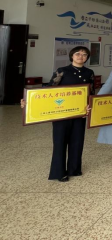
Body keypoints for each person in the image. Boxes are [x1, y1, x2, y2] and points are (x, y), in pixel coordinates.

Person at [21, 46, 95, 182]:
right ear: (72, 56)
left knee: (77, 141)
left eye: (84, 54)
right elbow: (49, 90)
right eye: (78, 54)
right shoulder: (62, 71)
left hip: (79, 114)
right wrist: (29, 101)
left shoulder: (89, 72)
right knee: (60, 142)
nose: (81, 56)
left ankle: (74, 169)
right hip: (61, 113)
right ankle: (59, 172)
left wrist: (89, 107)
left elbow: (91, 92)